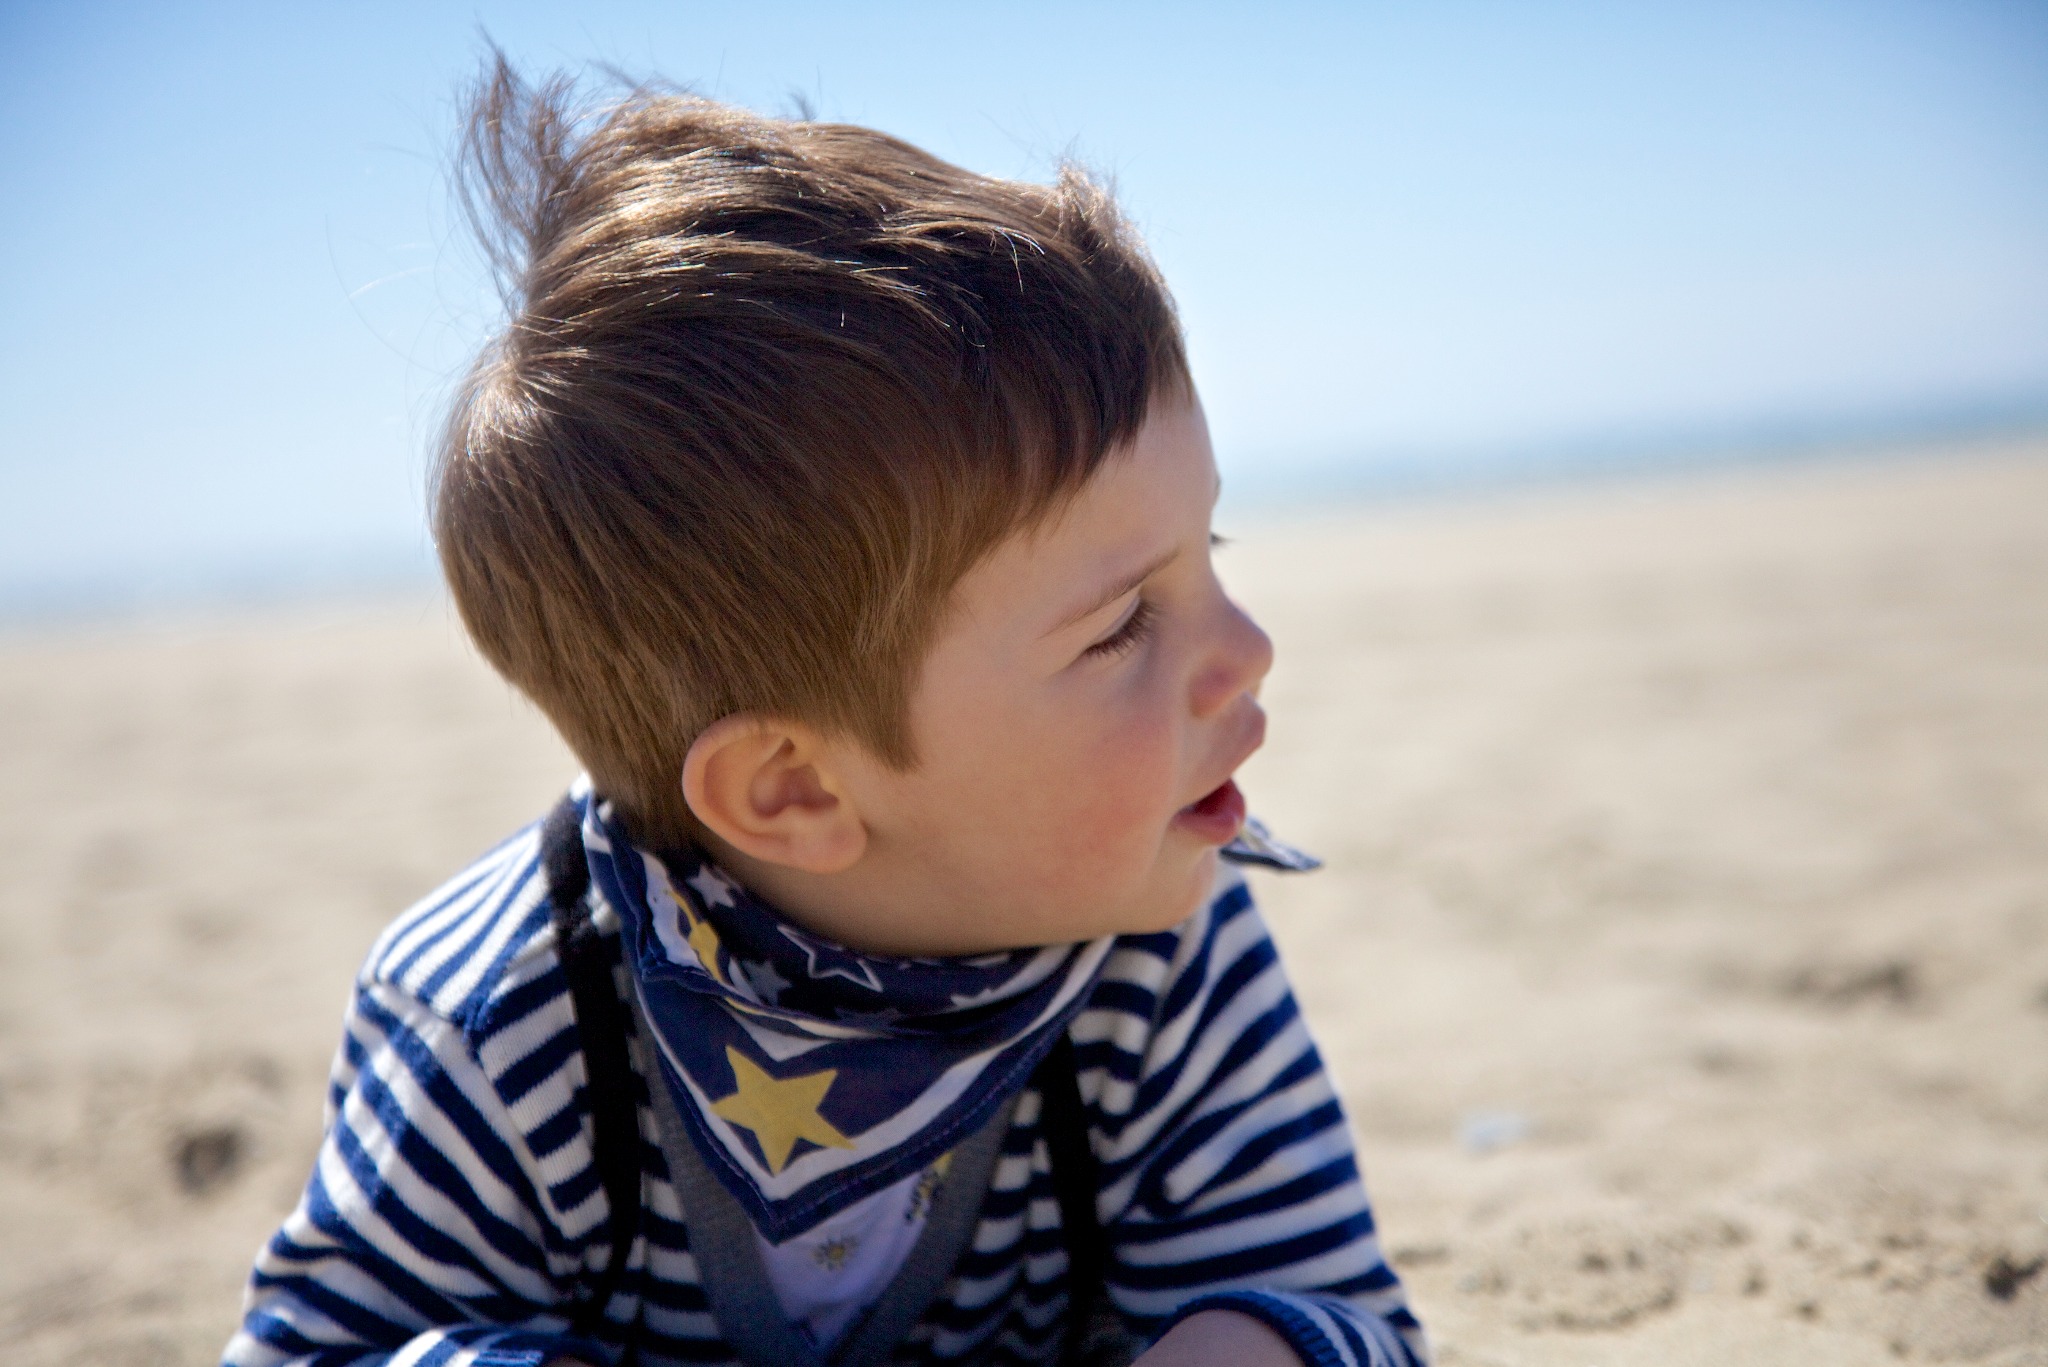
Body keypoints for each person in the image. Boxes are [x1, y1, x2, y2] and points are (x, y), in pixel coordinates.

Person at [224, 57, 1427, 1367]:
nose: (1246, 651)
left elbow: (1337, 1313)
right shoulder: (507, 1020)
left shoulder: (1158, 949)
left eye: (1214, 551)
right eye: (1124, 623)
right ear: (793, 791)